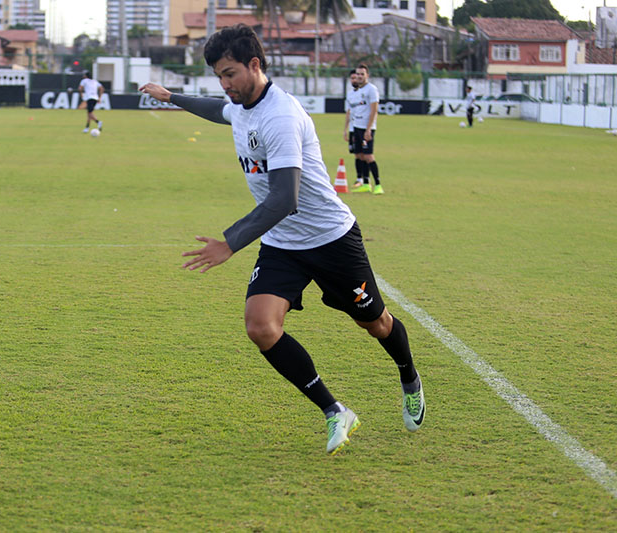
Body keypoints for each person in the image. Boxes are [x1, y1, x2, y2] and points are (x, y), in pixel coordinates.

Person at [139, 24, 424, 456]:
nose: (225, 84)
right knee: (261, 327)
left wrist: (229, 243)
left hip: (331, 239)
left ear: (255, 65)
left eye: (230, 73)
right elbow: (219, 110)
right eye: (219, 75)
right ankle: (334, 411)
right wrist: (173, 98)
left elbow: (284, 198)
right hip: (283, 243)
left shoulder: (281, 116)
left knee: (376, 324)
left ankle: (408, 375)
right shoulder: (241, 104)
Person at [344, 65, 383, 194]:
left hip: (366, 128)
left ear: (367, 75)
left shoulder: (371, 90)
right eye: (358, 74)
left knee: (369, 156)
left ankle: (378, 185)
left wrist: (369, 129)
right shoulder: (357, 92)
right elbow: (352, 111)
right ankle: (366, 183)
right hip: (356, 127)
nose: (359, 77)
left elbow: (374, 110)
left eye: (362, 74)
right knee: (360, 155)